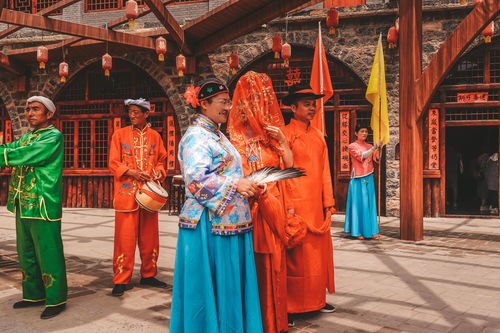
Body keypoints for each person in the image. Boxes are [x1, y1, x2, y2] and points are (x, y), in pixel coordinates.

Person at [170, 79, 264, 333]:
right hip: (208, 226)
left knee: (229, 283)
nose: (228, 107)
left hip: (229, 221)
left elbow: (227, 171)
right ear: (204, 104)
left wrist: (249, 186)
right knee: (212, 284)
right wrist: (236, 184)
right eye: (223, 102)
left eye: (228, 101)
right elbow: (196, 180)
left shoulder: (217, 135)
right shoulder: (195, 137)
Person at [228, 71, 303, 333]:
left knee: (276, 267)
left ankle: (275, 323)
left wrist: (283, 141)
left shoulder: (274, 134)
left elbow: (290, 168)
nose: (259, 104)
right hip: (250, 211)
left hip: (274, 208)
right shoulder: (235, 137)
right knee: (253, 268)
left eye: (263, 98)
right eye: (253, 99)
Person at [0, 96, 67, 319]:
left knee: (48, 253)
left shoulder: (53, 137)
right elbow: (11, 147)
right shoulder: (28, 137)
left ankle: (56, 299)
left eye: (36, 109)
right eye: (28, 109)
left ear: (49, 114)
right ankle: (33, 295)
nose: (29, 113)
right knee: (26, 252)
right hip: (23, 203)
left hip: (42, 203)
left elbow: (23, 155)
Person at [282, 84, 336, 319]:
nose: (312, 107)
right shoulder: (285, 134)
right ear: (293, 108)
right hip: (295, 202)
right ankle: (292, 305)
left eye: (313, 103)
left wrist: (328, 202)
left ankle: (317, 299)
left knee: (317, 256)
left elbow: (325, 170)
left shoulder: (318, 135)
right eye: (307, 104)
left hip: (316, 204)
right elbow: (284, 170)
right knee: (297, 257)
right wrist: (288, 205)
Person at [108, 98, 168, 296]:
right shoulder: (120, 134)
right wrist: (131, 172)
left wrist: (160, 172)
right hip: (126, 194)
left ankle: (149, 275)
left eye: (136, 112)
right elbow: (114, 162)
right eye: (130, 112)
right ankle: (121, 280)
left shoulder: (155, 136)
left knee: (150, 238)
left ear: (146, 114)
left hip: (150, 194)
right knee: (124, 239)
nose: (132, 115)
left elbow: (161, 160)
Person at [344, 124, 381, 239]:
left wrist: (380, 149)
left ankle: (371, 230)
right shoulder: (352, 146)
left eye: (366, 131)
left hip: (368, 176)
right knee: (359, 205)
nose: (364, 133)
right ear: (356, 133)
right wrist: (374, 148)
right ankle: (357, 231)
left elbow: (377, 158)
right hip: (358, 178)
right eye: (362, 131)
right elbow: (362, 156)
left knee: (369, 203)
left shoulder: (369, 145)